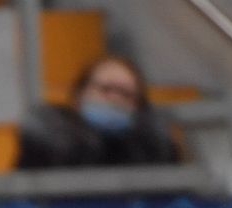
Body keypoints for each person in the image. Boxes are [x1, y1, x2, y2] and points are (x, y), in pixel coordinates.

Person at [15, 54, 180, 171]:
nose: (115, 98)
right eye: (105, 89)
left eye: (126, 94)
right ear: (80, 94)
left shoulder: (151, 149)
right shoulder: (46, 137)